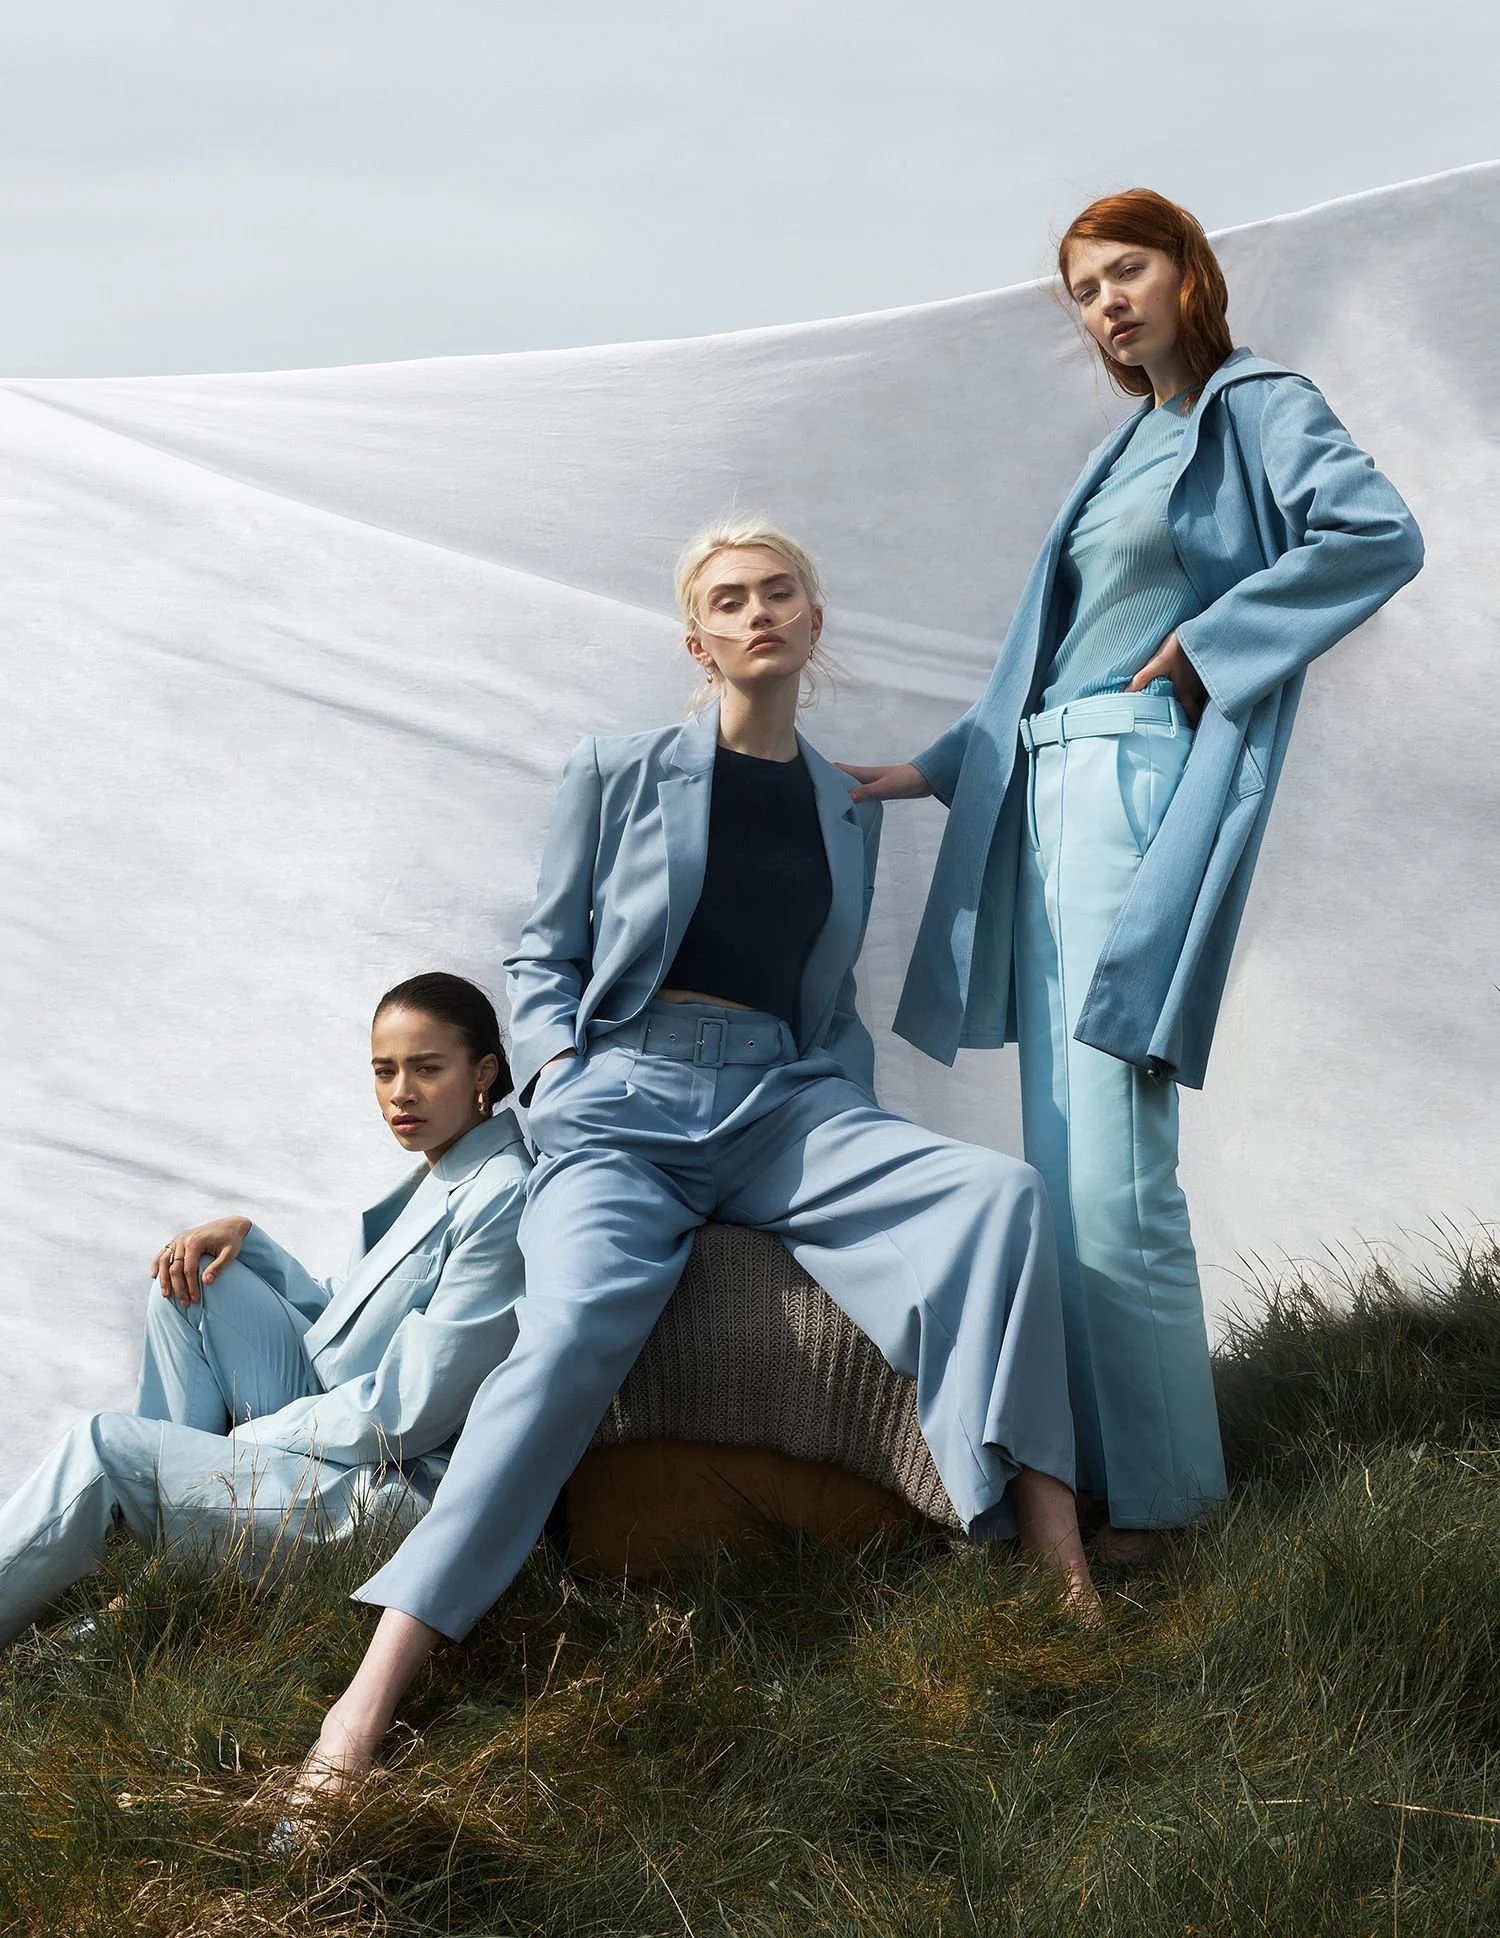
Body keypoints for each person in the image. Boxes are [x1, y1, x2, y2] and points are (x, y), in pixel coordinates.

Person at [289, 519, 1097, 1807]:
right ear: (698, 638)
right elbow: (545, 957)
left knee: (995, 1194)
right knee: (565, 1340)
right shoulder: (617, 769)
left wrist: (842, 1115)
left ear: (813, 624)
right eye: (731, 599)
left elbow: (830, 998)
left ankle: (1054, 1563)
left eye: (782, 592)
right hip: (628, 1098)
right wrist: (561, 1082)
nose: (760, 611)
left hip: (784, 1095)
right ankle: (369, 1693)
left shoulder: (844, 802)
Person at [841, 189, 1424, 1562]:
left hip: (1125, 784)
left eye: (1126, 270)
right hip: (1042, 787)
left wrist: (1213, 643)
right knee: (1060, 1154)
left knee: (1114, 1162)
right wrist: (930, 769)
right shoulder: (1123, 452)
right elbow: (1053, 653)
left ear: (1186, 273)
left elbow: (1376, 535)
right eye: (1084, 287)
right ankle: (1098, 1484)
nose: (1106, 300)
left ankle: (1171, 1507)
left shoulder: (1257, 403)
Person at [0, 972, 529, 1647]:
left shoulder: (499, 1197)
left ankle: (142, 1506)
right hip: (346, 1418)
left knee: (104, 1449)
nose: (401, 1092)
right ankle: (150, 1561)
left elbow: (410, 1411)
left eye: (427, 1068)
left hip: (391, 1489)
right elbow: (354, 1317)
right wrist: (251, 1242)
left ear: (484, 1070)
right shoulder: (449, 1164)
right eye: (384, 1069)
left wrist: (257, 1436)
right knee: (190, 1283)